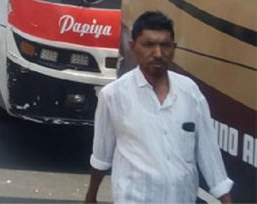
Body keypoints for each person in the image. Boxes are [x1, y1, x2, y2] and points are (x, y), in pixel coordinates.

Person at [85, 11, 233, 204]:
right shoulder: (114, 95)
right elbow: (101, 155)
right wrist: (91, 196)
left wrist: (226, 199)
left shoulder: (190, 92)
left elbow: (208, 151)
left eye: (165, 45)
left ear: (174, 48)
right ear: (132, 47)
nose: (158, 54)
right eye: (148, 45)